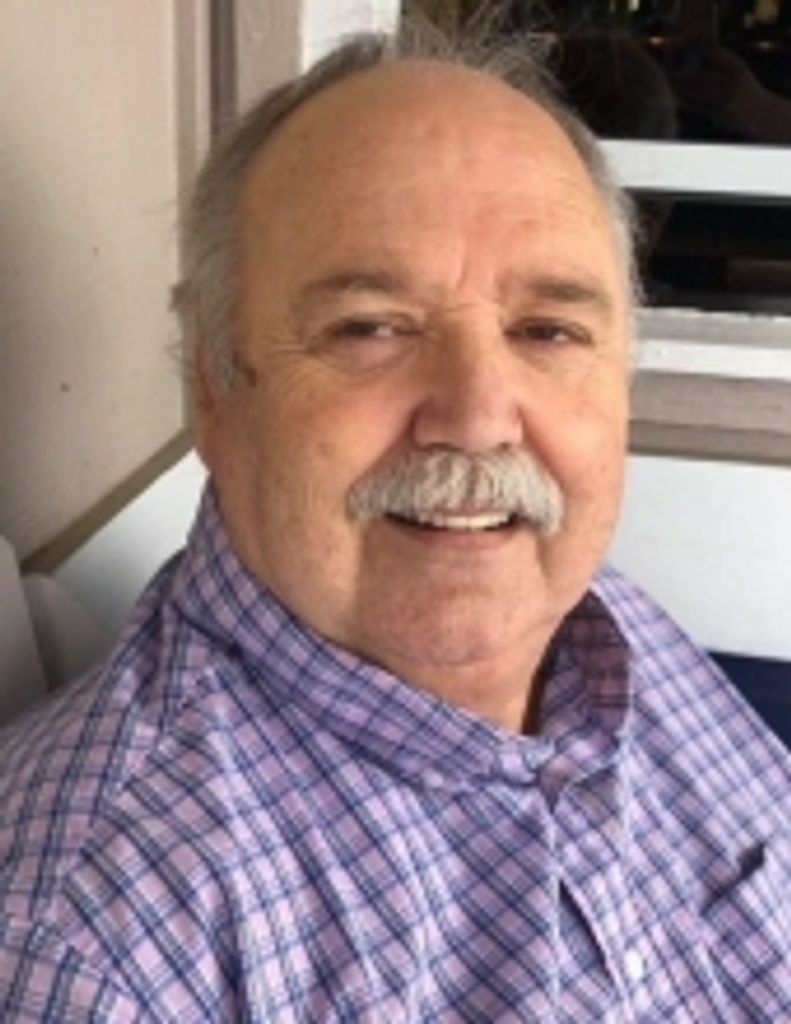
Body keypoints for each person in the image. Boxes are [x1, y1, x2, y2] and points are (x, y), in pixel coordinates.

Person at [1, 24, 789, 1023]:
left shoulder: (607, 629)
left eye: (547, 330)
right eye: (370, 328)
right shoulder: (86, 949)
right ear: (213, 385)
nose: (478, 415)